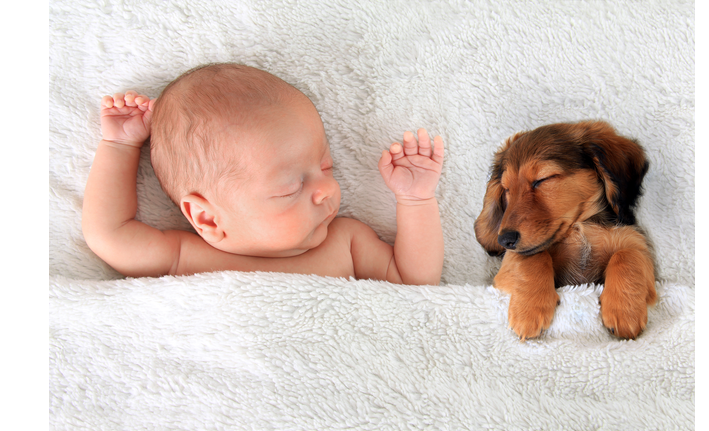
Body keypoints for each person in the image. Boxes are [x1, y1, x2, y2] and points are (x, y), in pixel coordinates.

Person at [82, 63, 444, 285]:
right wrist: (119, 146)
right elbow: (108, 234)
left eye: (324, 166)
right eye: (291, 187)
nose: (326, 190)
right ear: (208, 217)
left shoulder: (346, 242)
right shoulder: (182, 256)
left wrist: (415, 200)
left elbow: (415, 280)